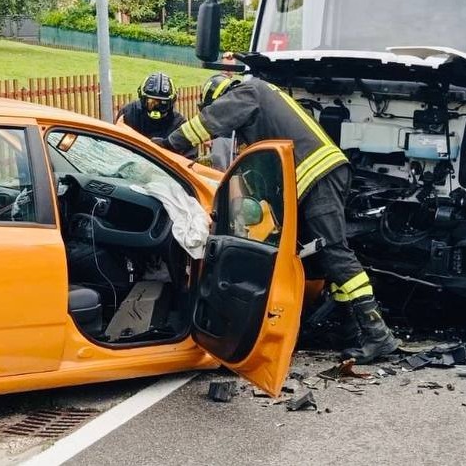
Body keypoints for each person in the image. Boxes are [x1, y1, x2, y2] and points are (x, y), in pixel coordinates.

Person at [157, 74, 400, 363]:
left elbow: (209, 121)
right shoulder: (261, 107)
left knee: (335, 253)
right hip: (319, 179)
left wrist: (169, 144)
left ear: (223, 95)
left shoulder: (250, 90)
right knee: (323, 257)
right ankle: (351, 332)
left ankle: (377, 335)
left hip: (317, 178)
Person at [119, 72, 184, 140]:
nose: (156, 108)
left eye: (162, 103)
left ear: (172, 102)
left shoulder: (179, 124)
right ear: (142, 99)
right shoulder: (129, 114)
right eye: (152, 102)